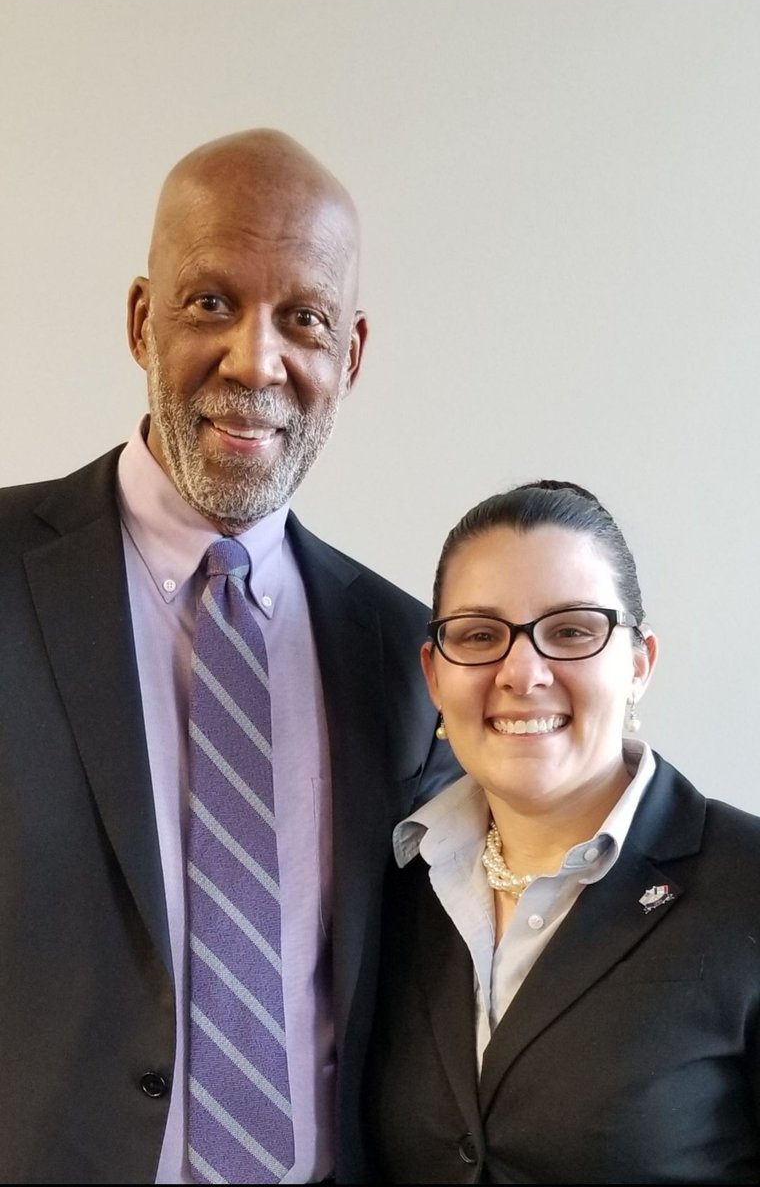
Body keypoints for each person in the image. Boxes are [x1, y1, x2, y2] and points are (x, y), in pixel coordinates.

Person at [0, 128, 460, 1185]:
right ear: (139, 319)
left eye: (302, 318)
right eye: (211, 301)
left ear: (349, 353)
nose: (255, 360)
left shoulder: (406, 653)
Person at [364, 479, 760, 1184]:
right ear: (434, 674)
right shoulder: (396, 891)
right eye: (480, 635)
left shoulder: (747, 888)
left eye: (572, 631)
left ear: (638, 666)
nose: (522, 672)